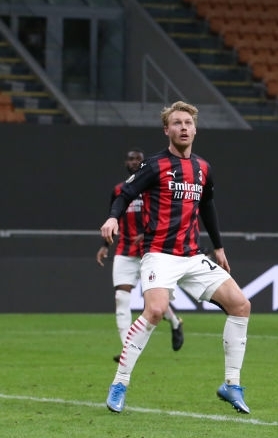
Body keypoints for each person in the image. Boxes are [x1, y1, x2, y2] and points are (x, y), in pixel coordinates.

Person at [99, 101, 252, 415]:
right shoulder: (155, 165)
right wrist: (113, 217)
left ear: (195, 129)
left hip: (193, 255)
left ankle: (231, 385)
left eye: (188, 123)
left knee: (241, 305)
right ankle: (120, 383)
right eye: (177, 123)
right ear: (166, 129)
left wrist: (219, 247)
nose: (183, 128)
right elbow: (126, 193)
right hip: (159, 255)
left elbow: (207, 205)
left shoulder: (203, 168)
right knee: (154, 312)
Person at [95, 148, 184, 361]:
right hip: (125, 249)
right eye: (131, 159)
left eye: (138, 159)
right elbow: (113, 216)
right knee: (121, 297)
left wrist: (146, 233)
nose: (134, 162)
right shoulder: (119, 190)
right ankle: (128, 350)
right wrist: (105, 245)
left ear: (144, 163)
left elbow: (164, 216)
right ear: (125, 163)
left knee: (155, 302)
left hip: (151, 250)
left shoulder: (153, 188)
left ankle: (175, 322)